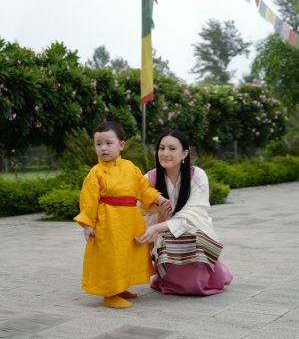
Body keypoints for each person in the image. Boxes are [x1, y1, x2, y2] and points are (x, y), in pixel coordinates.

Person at [74, 121, 172, 309]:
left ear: (121, 145)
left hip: (129, 220)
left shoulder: (130, 167)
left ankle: (121, 287)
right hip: (108, 222)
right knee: (111, 256)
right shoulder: (96, 173)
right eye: (98, 144)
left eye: (108, 143)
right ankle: (110, 293)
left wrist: (158, 199)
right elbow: (88, 200)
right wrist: (88, 225)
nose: (103, 148)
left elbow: (143, 188)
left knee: (125, 255)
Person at [136, 129, 233, 295]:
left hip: (192, 231)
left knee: (196, 284)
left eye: (172, 149)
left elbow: (195, 213)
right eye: (161, 148)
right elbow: (140, 212)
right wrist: (158, 213)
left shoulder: (197, 175)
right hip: (162, 236)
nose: (165, 153)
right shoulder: (149, 179)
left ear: (184, 154)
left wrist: (157, 228)